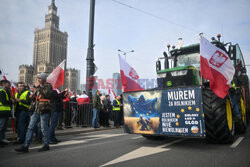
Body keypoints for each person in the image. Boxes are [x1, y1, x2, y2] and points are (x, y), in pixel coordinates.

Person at [15, 73, 53, 153]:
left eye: (40, 78)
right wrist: (32, 97)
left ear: (43, 79)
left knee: (43, 127)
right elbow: (37, 97)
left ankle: (46, 144)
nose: (38, 80)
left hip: (44, 109)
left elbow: (46, 94)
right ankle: (26, 146)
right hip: (36, 109)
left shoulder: (48, 86)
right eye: (38, 78)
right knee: (30, 127)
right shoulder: (38, 87)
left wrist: (38, 87)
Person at [0, 80, 13, 147]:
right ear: (4, 84)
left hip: (4, 112)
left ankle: (2, 140)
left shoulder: (4, 90)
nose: (9, 85)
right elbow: (4, 101)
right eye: (8, 83)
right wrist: (11, 101)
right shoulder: (2, 91)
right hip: (2, 112)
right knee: (1, 127)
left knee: (3, 127)